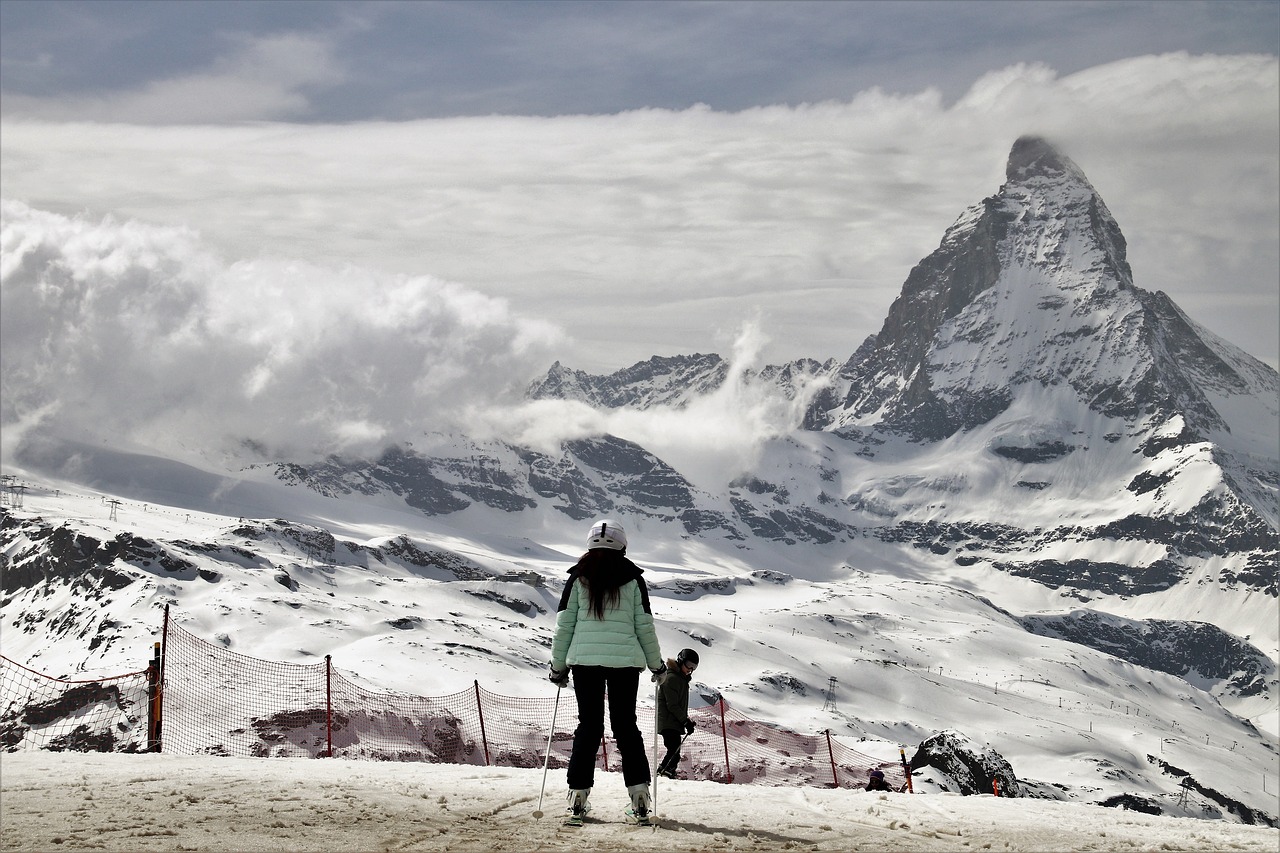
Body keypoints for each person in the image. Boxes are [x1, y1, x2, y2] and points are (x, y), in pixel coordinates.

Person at [548, 520, 664, 825]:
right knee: (626, 726)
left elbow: (564, 627)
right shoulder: (633, 579)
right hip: (625, 664)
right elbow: (644, 627)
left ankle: (577, 798)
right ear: (623, 545)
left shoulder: (577, 579)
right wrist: (657, 666)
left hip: (585, 663)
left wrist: (558, 667)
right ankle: (639, 798)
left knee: (588, 726)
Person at [655, 648, 699, 779]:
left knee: (674, 750)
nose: (690, 669)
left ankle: (666, 773)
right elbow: (672, 705)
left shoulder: (680, 679)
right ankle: (664, 774)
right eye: (689, 665)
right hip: (669, 722)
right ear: (680, 661)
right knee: (674, 750)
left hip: (673, 721)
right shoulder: (672, 678)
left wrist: (686, 721)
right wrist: (685, 721)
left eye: (694, 667)